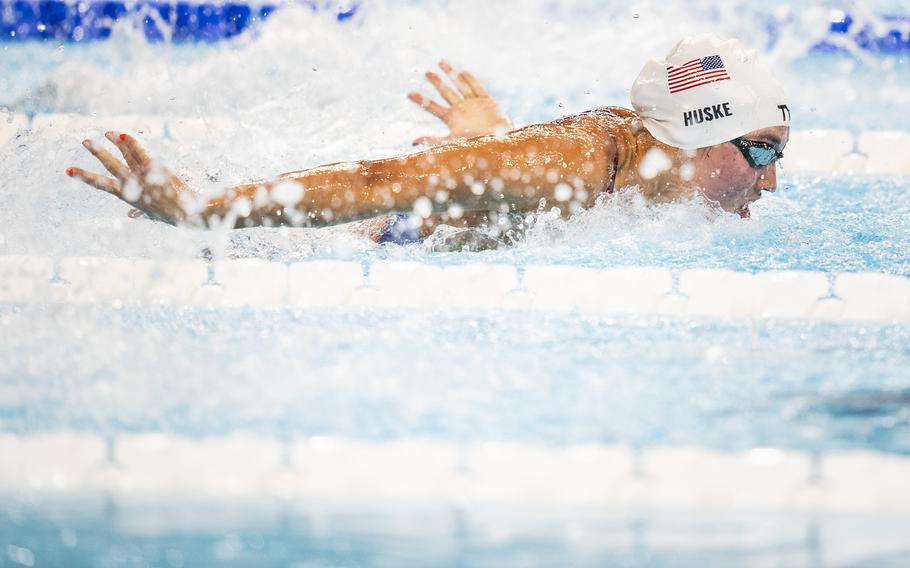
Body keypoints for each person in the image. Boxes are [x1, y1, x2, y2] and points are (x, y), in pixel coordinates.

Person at [66, 34, 790, 245]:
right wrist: (201, 209)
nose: (773, 177)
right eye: (763, 151)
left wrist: (488, 149)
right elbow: (377, 185)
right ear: (700, 139)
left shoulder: (648, 156)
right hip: (375, 234)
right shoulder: (570, 165)